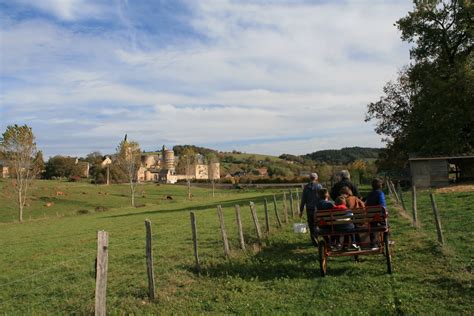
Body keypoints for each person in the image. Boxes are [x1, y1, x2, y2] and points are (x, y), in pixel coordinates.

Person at [299, 172, 323, 246]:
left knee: (311, 224)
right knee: (317, 223)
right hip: (318, 209)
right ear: (316, 178)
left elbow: (303, 200)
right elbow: (322, 197)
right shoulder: (319, 186)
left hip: (309, 209)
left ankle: (313, 239)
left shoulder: (306, 187)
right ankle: (317, 236)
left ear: (310, 178)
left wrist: (301, 210)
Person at [365, 178, 387, 250]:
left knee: (372, 226)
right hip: (379, 216)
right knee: (385, 224)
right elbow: (382, 205)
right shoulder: (380, 193)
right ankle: (386, 239)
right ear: (381, 186)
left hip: (371, 216)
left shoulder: (369, 194)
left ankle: (373, 244)